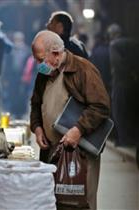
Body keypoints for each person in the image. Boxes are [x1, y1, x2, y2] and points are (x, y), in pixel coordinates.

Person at [30, 30, 110, 210]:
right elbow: (35, 103)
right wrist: (37, 127)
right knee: (53, 202)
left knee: (80, 203)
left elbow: (100, 107)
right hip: (52, 151)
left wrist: (78, 129)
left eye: (41, 59)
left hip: (80, 154)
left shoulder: (83, 69)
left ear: (56, 54)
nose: (38, 64)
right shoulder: (44, 73)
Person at [0, 31, 30, 118]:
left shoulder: (27, 51)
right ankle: (13, 112)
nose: (18, 41)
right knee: (12, 94)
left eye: (19, 39)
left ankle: (21, 113)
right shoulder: (10, 50)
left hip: (23, 77)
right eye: (16, 39)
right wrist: (5, 77)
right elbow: (6, 65)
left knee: (22, 95)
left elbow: (29, 65)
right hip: (12, 77)